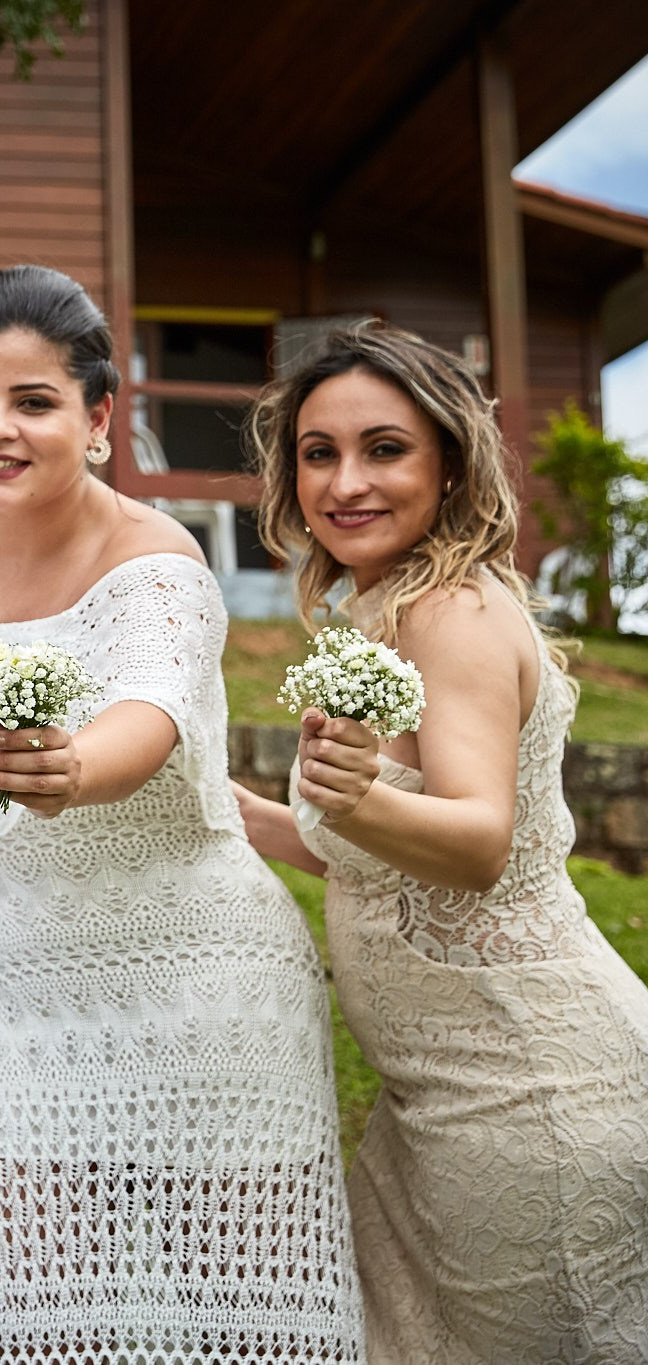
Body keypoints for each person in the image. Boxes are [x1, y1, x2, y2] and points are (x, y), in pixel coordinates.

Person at [0, 265, 364, 1361]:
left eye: (32, 402)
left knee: (234, 1318)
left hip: (201, 990)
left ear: (97, 418)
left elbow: (147, 714)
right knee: (36, 1318)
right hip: (11, 1001)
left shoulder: (154, 556)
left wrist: (69, 767)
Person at [233, 322, 648, 1361]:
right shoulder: (386, 611)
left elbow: (472, 844)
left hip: (525, 1098)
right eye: (317, 453)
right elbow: (380, 857)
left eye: (383, 448)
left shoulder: (445, 613)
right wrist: (230, 815)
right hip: (442, 1106)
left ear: (449, 464)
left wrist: (356, 799)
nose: (343, 482)